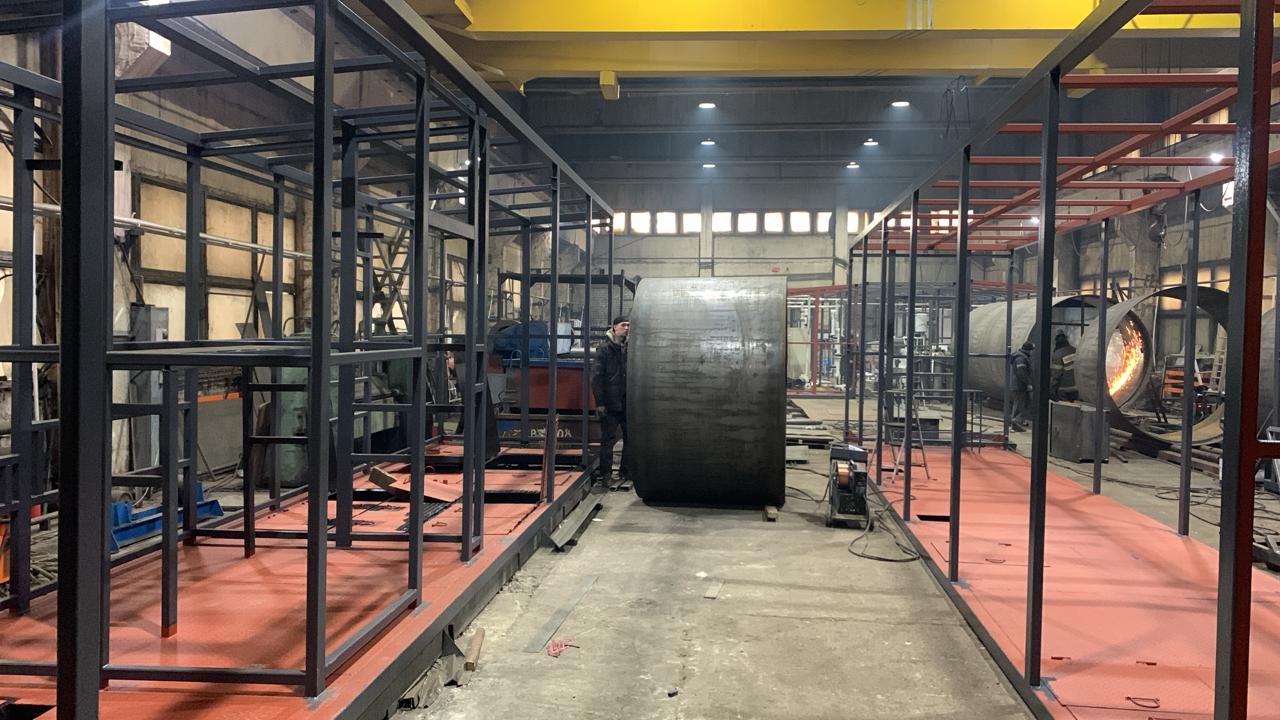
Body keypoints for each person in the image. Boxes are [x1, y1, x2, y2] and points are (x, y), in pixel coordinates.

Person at [591, 316, 629, 485]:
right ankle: (606, 475)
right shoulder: (604, 349)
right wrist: (600, 403)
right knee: (608, 440)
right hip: (610, 403)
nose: (626, 328)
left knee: (630, 439)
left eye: (628, 325)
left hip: (627, 403)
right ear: (614, 327)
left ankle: (625, 472)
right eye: (623, 325)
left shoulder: (628, 349)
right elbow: (596, 378)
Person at [1009, 341, 1034, 432]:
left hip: (1018, 385)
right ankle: (1016, 423)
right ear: (1029, 350)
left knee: (1023, 404)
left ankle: (1018, 422)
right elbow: (1021, 373)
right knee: (1020, 405)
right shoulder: (1021, 358)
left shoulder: (1020, 357)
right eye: (1032, 350)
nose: (1032, 352)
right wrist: (1028, 383)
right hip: (1019, 386)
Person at [1050, 331, 1079, 401]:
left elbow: (1056, 374)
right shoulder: (1075, 350)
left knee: (1063, 406)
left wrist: (1052, 388)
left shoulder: (1057, 354)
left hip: (1064, 388)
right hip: (1077, 386)